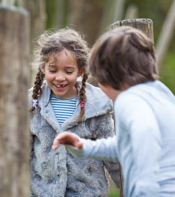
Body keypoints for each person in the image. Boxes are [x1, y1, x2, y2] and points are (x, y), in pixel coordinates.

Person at [52, 26, 175, 197]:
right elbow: (128, 144)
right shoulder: (162, 94)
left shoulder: (128, 100)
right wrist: (86, 147)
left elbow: (146, 131)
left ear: (107, 78)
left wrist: (145, 189)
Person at [28, 28, 121, 197]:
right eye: (53, 70)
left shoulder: (97, 107)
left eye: (68, 71)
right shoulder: (33, 104)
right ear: (43, 68)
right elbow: (22, 153)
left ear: (80, 71)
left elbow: (111, 154)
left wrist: (129, 186)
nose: (60, 77)